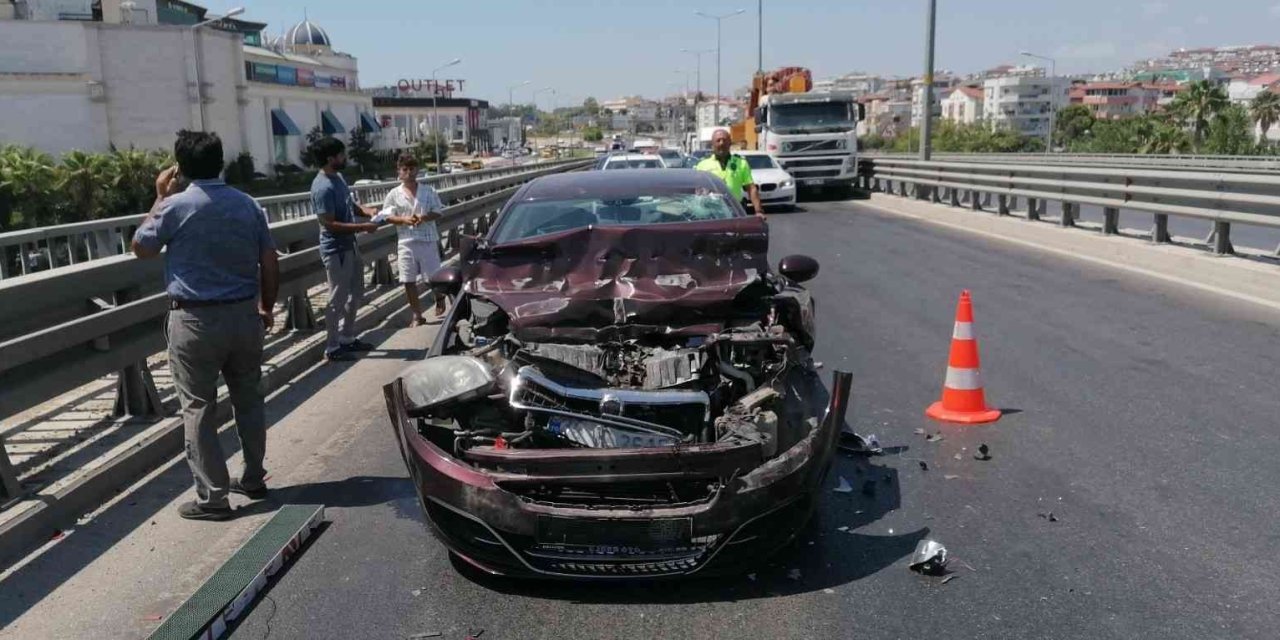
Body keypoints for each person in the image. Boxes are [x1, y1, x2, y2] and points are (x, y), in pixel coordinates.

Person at [131, 130, 279, 521]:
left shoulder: (176, 206)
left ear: (180, 168)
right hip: (244, 315)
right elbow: (270, 260)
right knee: (249, 399)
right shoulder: (249, 205)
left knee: (198, 407)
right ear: (221, 162)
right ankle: (253, 477)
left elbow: (142, 247)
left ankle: (213, 497)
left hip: (195, 320)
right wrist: (267, 306)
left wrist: (160, 195)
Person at [309, 137, 380, 363]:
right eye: (341, 154)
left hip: (350, 245)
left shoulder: (338, 178)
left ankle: (348, 337)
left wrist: (366, 211)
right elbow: (328, 223)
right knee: (336, 299)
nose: (344, 157)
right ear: (331, 158)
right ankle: (332, 347)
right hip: (336, 249)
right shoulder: (322, 187)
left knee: (357, 293)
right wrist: (362, 226)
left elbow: (349, 204)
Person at [371, 154, 448, 326]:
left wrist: (424, 217)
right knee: (408, 279)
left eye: (412, 168)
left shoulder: (428, 191)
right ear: (399, 171)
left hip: (427, 239)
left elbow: (439, 211)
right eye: (404, 169)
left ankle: (440, 297)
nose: (409, 172)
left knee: (433, 278)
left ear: (417, 170)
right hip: (406, 241)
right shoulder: (393, 194)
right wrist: (404, 220)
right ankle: (416, 315)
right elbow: (387, 216)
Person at [695, 129, 765, 219]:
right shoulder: (702, 165)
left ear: (729, 143)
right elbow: (697, 192)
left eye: (724, 140)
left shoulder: (741, 163)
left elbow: (751, 188)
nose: (721, 143)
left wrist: (758, 211)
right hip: (711, 212)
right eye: (718, 140)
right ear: (712, 145)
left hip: (735, 211)